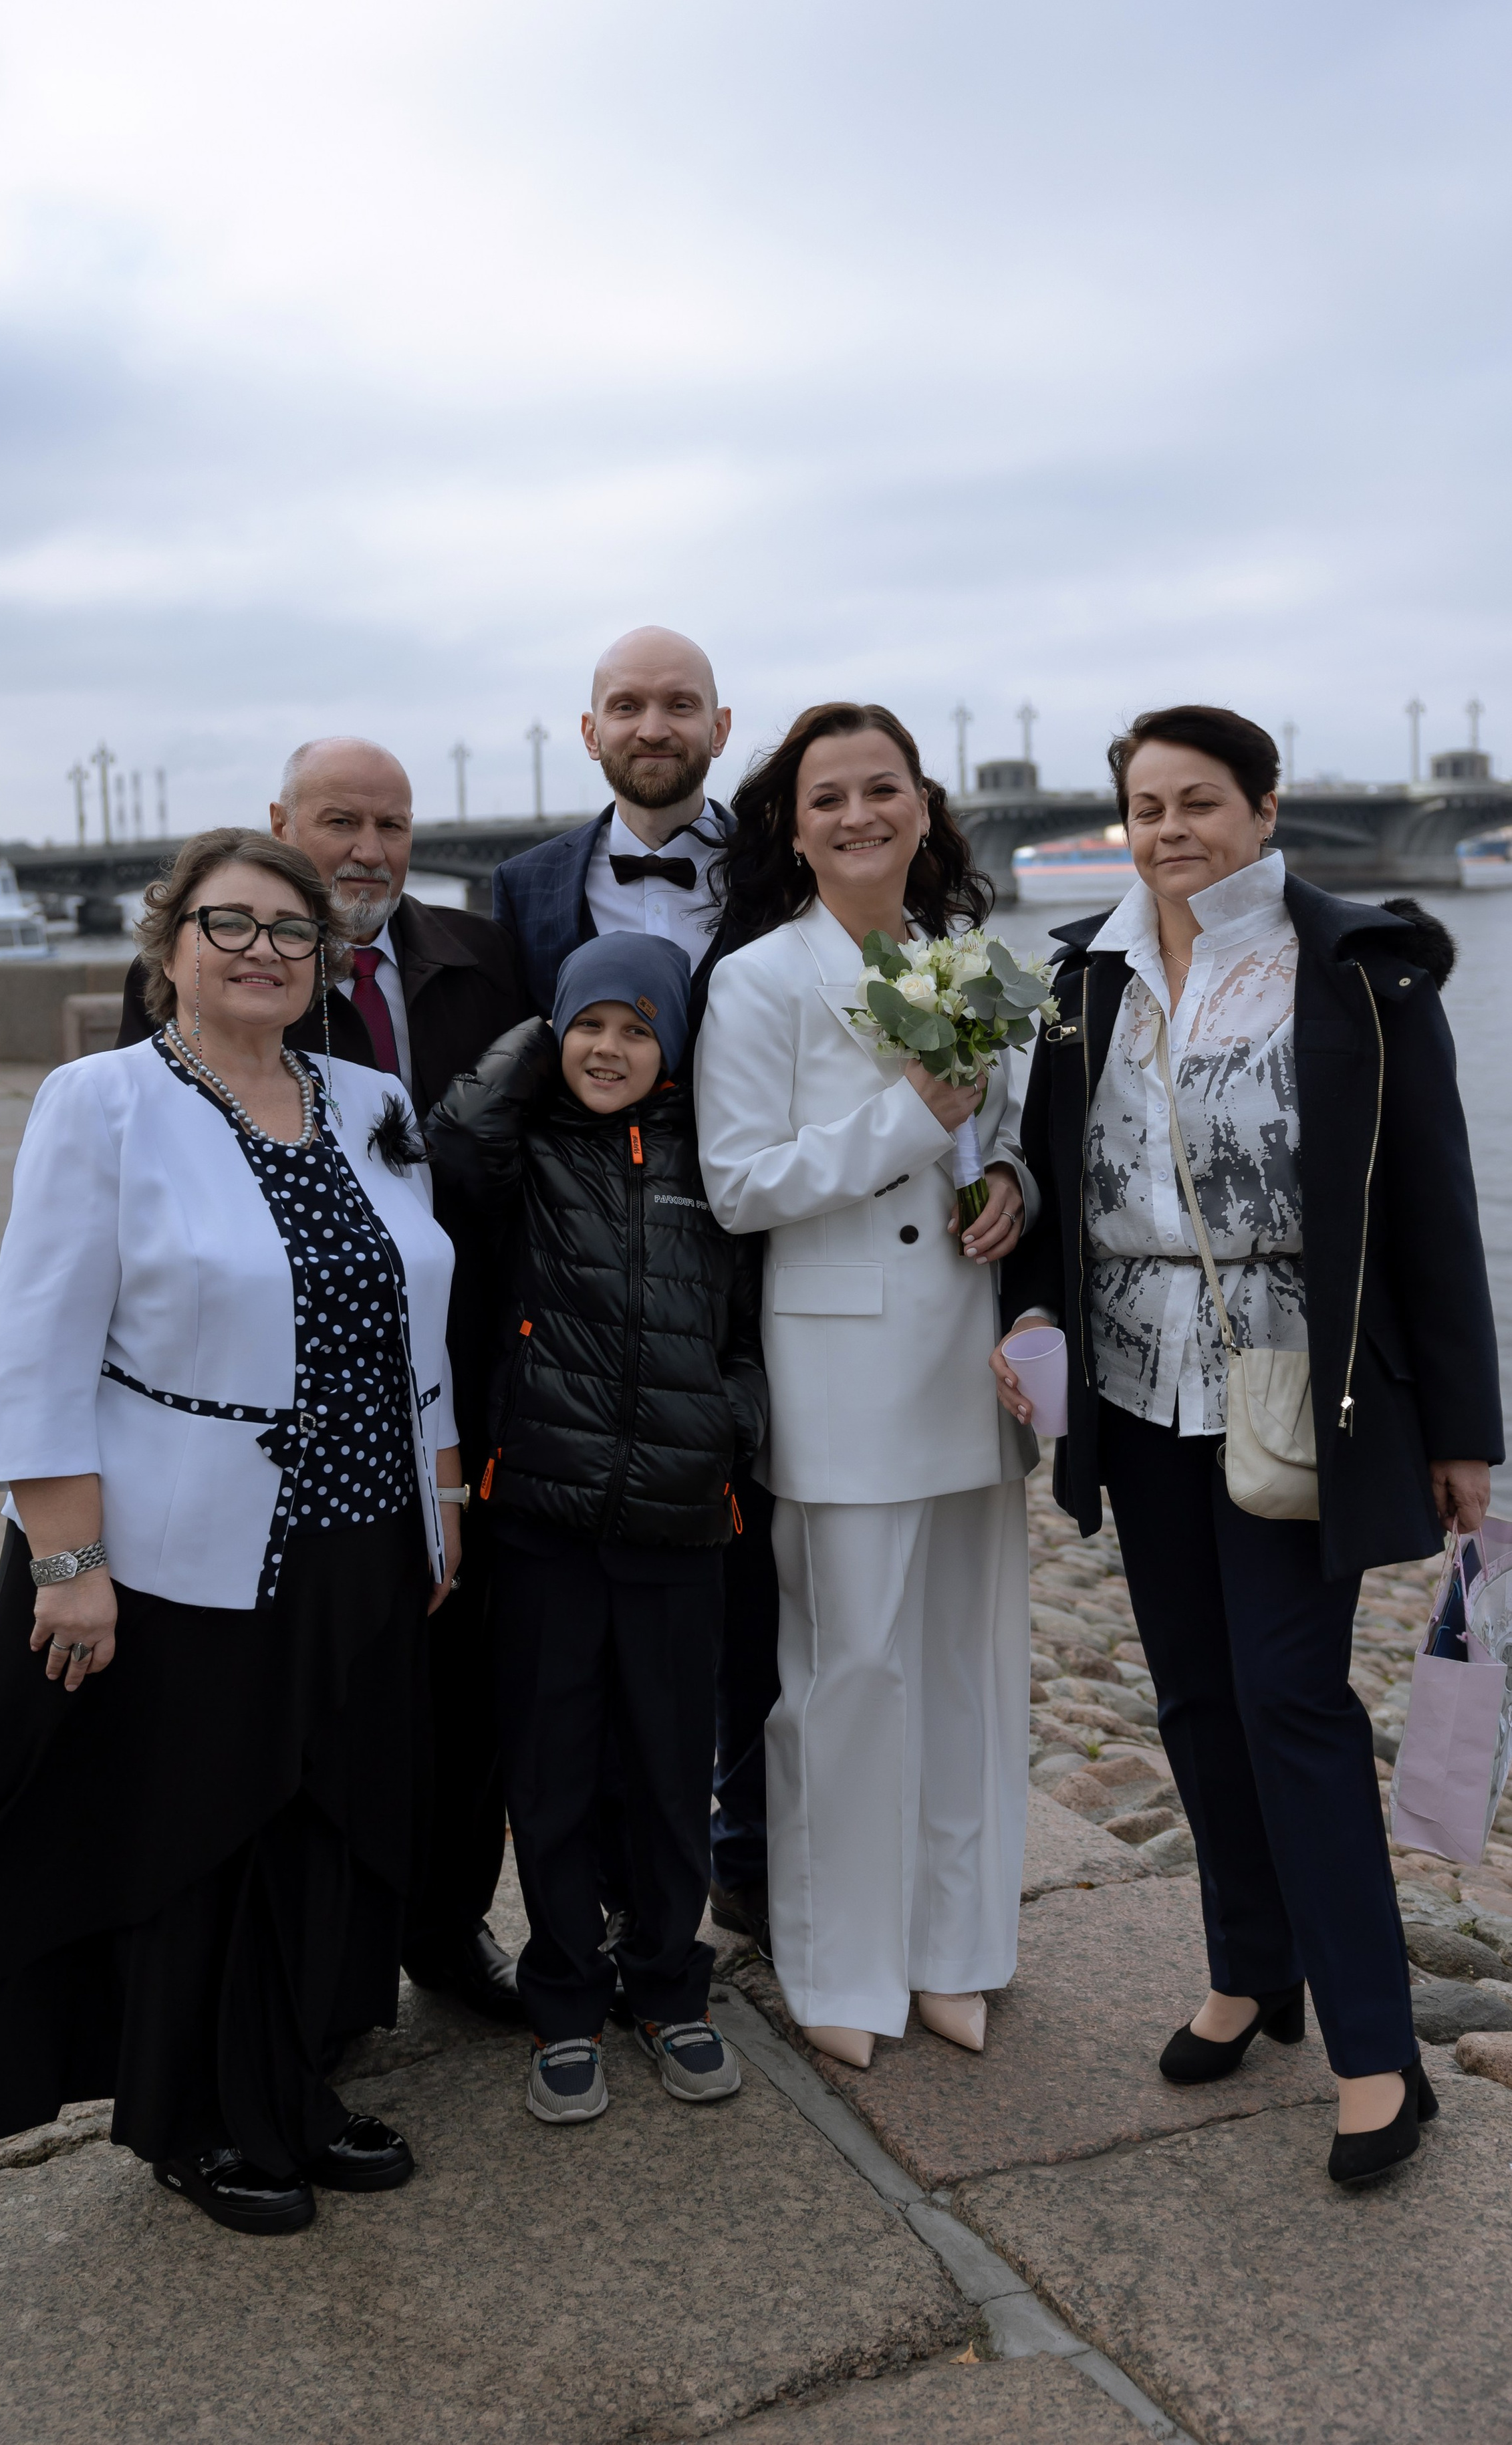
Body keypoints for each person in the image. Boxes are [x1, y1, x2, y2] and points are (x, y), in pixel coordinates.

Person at [0, 828, 463, 2236]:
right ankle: (192, 2117)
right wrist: (66, 1564)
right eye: (229, 924)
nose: (262, 950)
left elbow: (416, 1312)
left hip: (364, 1535)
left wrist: (442, 1503)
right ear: (168, 948)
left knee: (325, 1818)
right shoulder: (105, 1102)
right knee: (201, 1827)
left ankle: (293, 2084)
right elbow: (36, 1347)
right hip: (187, 1538)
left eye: (289, 930)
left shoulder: (371, 1098)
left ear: (324, 961)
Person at [996, 703, 1503, 2187]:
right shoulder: (1081, 972)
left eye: (1198, 801)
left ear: (1263, 808)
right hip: (1136, 1388)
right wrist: (1026, 1313)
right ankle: (1245, 1968)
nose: (1168, 830)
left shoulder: (1347, 968)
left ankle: (1373, 2048)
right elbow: (1045, 1173)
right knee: (1194, 1700)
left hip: (1291, 1389)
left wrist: (1462, 1429)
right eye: (1145, 805)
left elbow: (1427, 1198)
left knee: (1292, 1702)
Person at [115, 739, 530, 2025]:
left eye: (393, 823)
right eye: (339, 820)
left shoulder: (483, 957)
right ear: (283, 823)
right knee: (308, 1714)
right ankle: (307, 1985)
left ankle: (444, 1927)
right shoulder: (195, 998)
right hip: (278, 1418)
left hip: (456, 1380)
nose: (368, 847)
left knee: (456, 1691)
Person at [695, 703, 1037, 2071]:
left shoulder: (966, 960)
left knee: (964, 1669)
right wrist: (908, 1119)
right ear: (790, 825)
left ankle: (956, 1948)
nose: (855, 816)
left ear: (920, 804)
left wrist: (1004, 1179)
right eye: (825, 797)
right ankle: (839, 1963)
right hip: (838, 1363)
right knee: (843, 1676)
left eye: (879, 789)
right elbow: (736, 1184)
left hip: (968, 1356)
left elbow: (997, 1128)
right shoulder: (760, 978)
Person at [426, 934, 767, 2124]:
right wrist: (537, 1032)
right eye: (590, 1026)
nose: (611, 1050)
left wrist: (731, 1425)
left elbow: (743, 1330)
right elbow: (454, 1140)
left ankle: (672, 1986)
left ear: (678, 1042)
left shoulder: (712, 1159)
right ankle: (564, 1996)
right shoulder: (524, 1153)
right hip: (544, 1522)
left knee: (672, 1776)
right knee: (554, 1775)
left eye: (640, 1027)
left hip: (681, 1525)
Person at [492, 626, 780, 1956]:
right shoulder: (522, 890)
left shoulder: (783, 872)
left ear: (720, 729)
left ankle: (750, 1870)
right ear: (588, 725)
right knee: (593, 1646)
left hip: (771, 1274)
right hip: (593, 1305)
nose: (650, 723)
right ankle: (594, 1910)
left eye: (678, 704)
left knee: (759, 1609)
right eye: (626, 703)